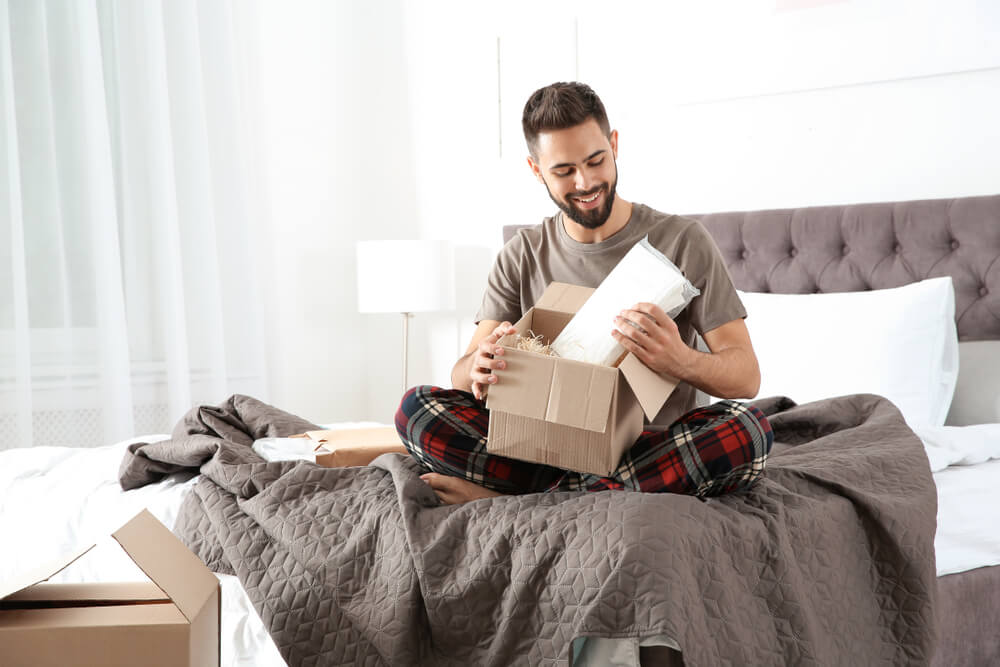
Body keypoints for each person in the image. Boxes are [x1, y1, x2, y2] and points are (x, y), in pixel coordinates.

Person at [396, 81, 772, 505]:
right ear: (536, 170)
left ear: (614, 144)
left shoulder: (683, 241)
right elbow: (462, 375)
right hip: (539, 450)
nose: (586, 181)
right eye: (563, 171)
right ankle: (574, 496)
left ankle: (516, 501)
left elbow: (747, 376)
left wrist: (679, 359)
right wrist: (478, 367)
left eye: (596, 160)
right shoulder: (522, 254)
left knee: (747, 430)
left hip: (649, 450)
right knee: (416, 410)